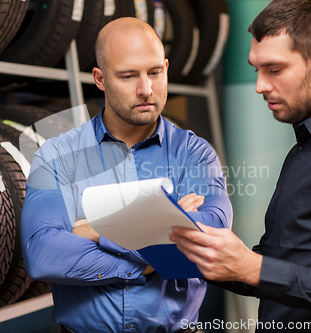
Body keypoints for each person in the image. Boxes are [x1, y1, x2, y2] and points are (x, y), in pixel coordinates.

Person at [170, 0, 311, 331]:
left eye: (274, 70)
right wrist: (203, 252)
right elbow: (282, 269)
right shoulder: (306, 147)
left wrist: (253, 267)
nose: (260, 86)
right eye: (255, 70)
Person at [20, 17, 233, 333]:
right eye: (128, 75)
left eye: (155, 73)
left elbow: (208, 241)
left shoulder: (195, 153)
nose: (146, 89)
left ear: (166, 67)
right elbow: (43, 254)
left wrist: (94, 228)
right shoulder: (57, 155)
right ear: (100, 78)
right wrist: (155, 251)